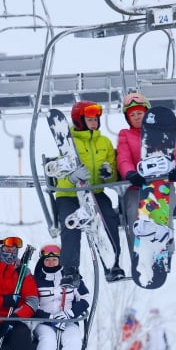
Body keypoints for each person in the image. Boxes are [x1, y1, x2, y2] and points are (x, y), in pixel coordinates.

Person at [115, 93, 176, 281]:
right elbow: (123, 158)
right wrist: (130, 173)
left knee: (162, 214)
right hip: (137, 187)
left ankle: (165, 253)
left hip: (162, 185)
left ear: (147, 114)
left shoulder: (162, 132)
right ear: (128, 119)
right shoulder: (125, 135)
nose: (137, 117)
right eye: (132, 115)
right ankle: (139, 256)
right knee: (135, 214)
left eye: (140, 113)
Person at [52, 100, 125, 283]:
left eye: (96, 119)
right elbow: (60, 176)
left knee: (108, 217)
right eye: (90, 119)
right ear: (80, 121)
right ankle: (70, 271)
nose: (94, 123)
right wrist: (72, 177)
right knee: (71, 223)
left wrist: (108, 174)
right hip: (69, 195)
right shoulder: (69, 143)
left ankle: (113, 264)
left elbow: (113, 177)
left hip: (95, 193)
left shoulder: (104, 142)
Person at [30, 244, 90, 350]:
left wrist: (70, 313)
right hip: (44, 322)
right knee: (48, 341)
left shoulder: (72, 277)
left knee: (74, 341)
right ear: (42, 261)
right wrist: (48, 317)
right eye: (47, 260)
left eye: (54, 260)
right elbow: (31, 303)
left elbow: (86, 298)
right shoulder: (36, 279)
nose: (51, 263)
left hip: (67, 321)